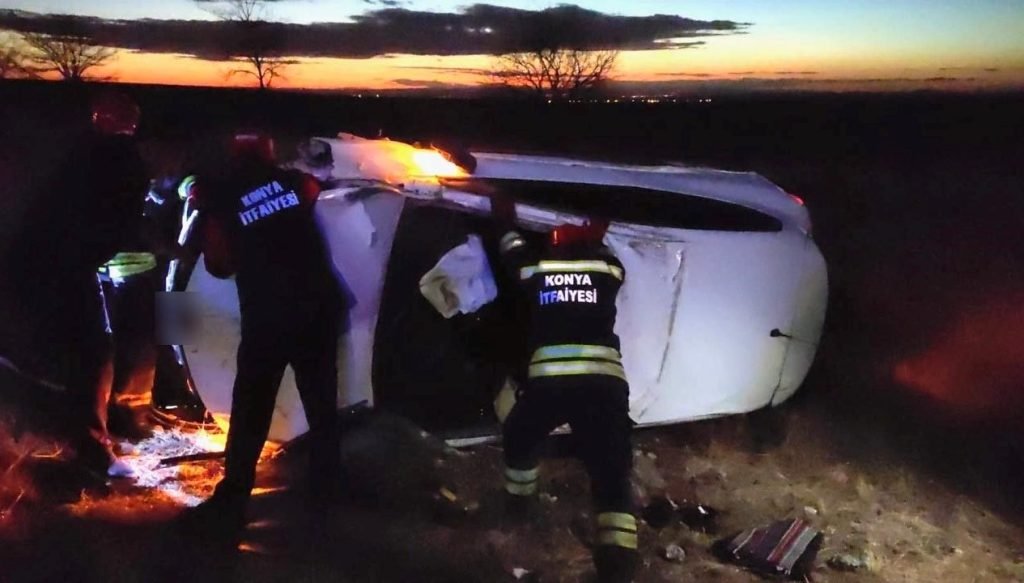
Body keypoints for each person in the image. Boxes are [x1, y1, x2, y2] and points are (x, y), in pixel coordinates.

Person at [181, 133, 344, 543]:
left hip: (270, 314)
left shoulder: (221, 196)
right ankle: (327, 494)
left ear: (233, 155)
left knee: (251, 409)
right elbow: (310, 191)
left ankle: (233, 501)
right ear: (270, 152)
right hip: (319, 308)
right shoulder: (294, 183)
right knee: (322, 401)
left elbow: (218, 265)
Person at [493, 198, 637, 583]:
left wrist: (504, 218)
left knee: (520, 436)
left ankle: (519, 504)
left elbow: (512, 253)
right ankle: (618, 562)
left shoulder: (538, 269)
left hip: (552, 383)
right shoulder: (608, 268)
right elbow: (611, 260)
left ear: (554, 243)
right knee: (612, 468)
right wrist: (598, 234)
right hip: (603, 385)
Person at [10, 90, 149, 477]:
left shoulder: (71, 154)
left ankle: (81, 426)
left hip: (43, 264)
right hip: (69, 267)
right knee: (93, 352)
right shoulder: (119, 159)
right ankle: (92, 449)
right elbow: (117, 220)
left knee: (69, 349)